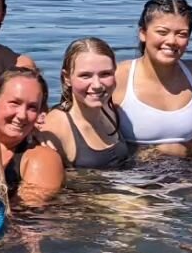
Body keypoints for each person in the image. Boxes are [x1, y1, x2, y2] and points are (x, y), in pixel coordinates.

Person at [114, 0, 192, 154]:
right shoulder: (120, 76)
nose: (172, 40)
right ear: (143, 33)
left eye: (181, 34)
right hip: (132, 175)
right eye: (162, 32)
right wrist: (156, 152)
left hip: (188, 174)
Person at [42, 38, 131, 169]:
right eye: (85, 76)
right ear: (67, 78)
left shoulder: (109, 111)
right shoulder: (57, 125)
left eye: (105, 74)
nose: (97, 85)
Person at [0, 68, 66, 202]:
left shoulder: (42, 159)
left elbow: (28, 216)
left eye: (32, 107)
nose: (22, 115)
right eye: (14, 103)